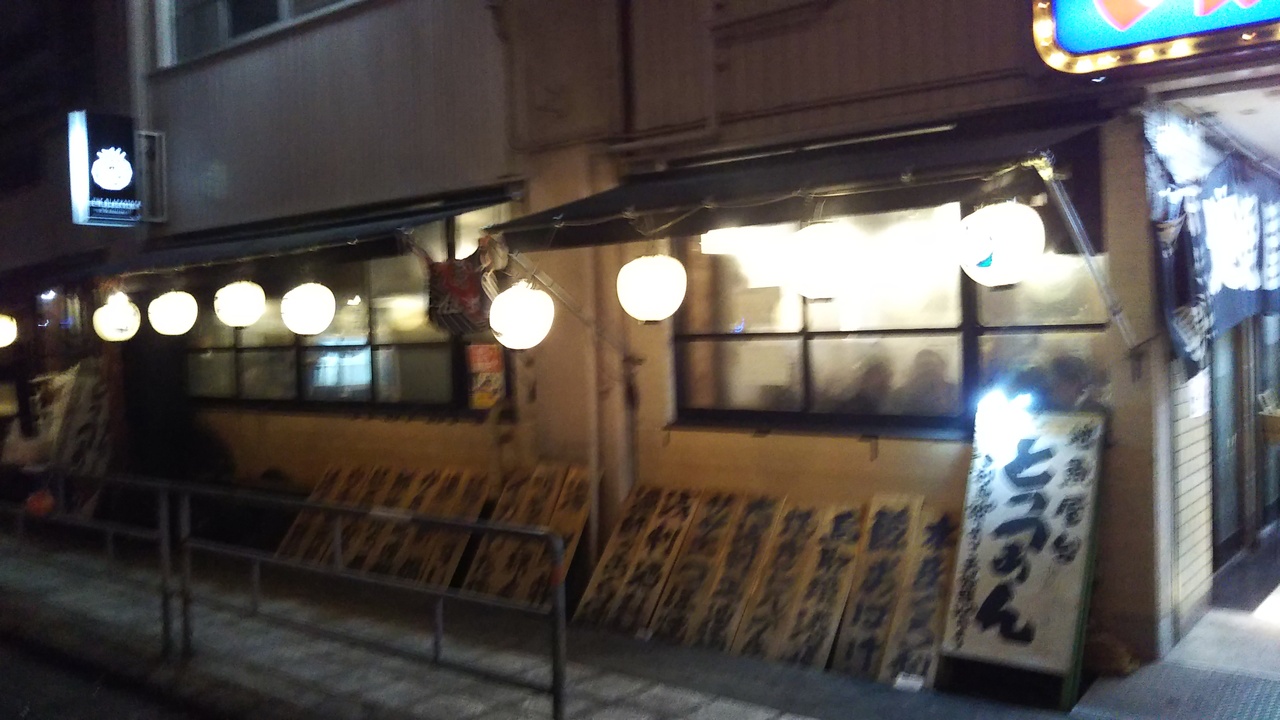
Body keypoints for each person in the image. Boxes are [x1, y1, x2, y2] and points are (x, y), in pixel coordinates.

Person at [890, 349, 958, 415]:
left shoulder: (954, 391)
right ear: (915, 369)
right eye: (924, 366)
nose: (928, 370)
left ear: (942, 368)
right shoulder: (899, 394)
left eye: (932, 366)